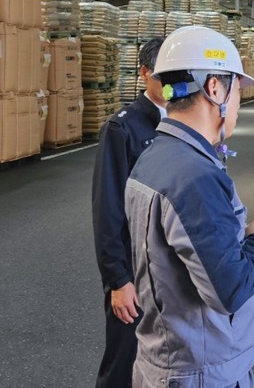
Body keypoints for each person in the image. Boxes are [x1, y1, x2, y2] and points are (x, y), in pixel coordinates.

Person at [124, 26, 254, 388]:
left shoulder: (154, 157)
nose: (238, 104)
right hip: (200, 372)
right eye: (237, 91)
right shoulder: (194, 177)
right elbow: (230, 289)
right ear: (215, 88)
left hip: (164, 358)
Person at [92, 37, 165, 388]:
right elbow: (107, 211)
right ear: (144, 73)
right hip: (133, 271)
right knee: (124, 362)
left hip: (168, 269)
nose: (170, 83)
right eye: (161, 74)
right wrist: (117, 279)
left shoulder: (185, 124)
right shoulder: (123, 128)